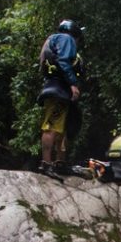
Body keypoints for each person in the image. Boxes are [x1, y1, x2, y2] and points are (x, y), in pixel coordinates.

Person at [37, 19, 84, 180]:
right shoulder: (66, 39)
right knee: (51, 126)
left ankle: (60, 163)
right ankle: (47, 164)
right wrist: (73, 84)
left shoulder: (54, 40)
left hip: (58, 88)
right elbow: (64, 61)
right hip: (58, 89)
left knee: (61, 128)